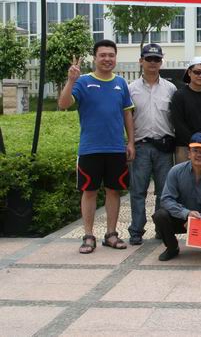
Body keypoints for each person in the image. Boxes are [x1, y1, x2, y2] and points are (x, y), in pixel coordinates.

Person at [58, 39, 135, 254]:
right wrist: (70, 81)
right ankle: (88, 235)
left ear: (115, 57)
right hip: (90, 148)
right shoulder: (83, 81)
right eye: (103, 55)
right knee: (89, 191)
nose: (107, 59)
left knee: (114, 191)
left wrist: (130, 142)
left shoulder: (121, 83)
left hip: (116, 148)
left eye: (111, 55)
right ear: (95, 58)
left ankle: (111, 234)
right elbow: (63, 104)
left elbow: (127, 114)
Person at [127, 43, 177, 246]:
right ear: (141, 61)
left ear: (161, 62)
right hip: (141, 146)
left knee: (164, 191)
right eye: (149, 59)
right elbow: (127, 118)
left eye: (157, 59)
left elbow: (175, 118)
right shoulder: (131, 89)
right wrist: (129, 143)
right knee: (138, 191)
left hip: (164, 147)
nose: (153, 63)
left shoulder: (170, 88)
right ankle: (136, 230)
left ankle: (161, 228)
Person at [152, 132, 201, 261]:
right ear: (189, 153)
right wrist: (186, 213)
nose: (199, 155)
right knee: (160, 215)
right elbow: (166, 199)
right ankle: (172, 247)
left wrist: (200, 218)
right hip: (181, 220)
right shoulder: (175, 171)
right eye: (195, 151)